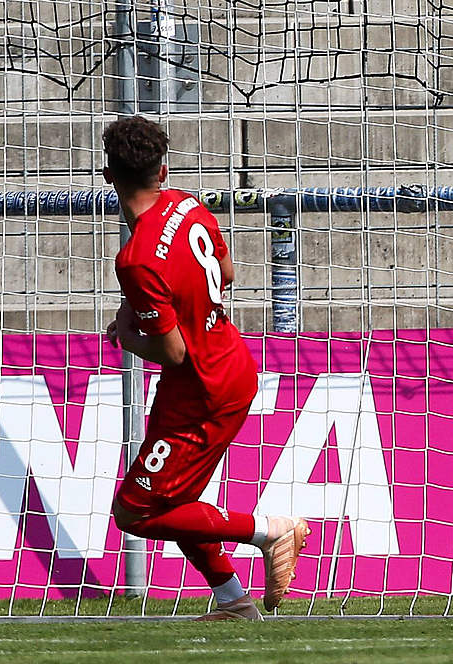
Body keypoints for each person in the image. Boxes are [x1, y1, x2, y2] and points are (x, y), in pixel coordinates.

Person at [103, 115, 309, 621]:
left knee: (135, 509)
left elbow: (172, 352)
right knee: (181, 500)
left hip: (202, 386)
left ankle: (271, 530)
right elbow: (230, 273)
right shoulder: (188, 206)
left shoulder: (135, 261)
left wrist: (125, 334)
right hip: (225, 363)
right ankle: (234, 602)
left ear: (108, 174)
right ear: (164, 168)